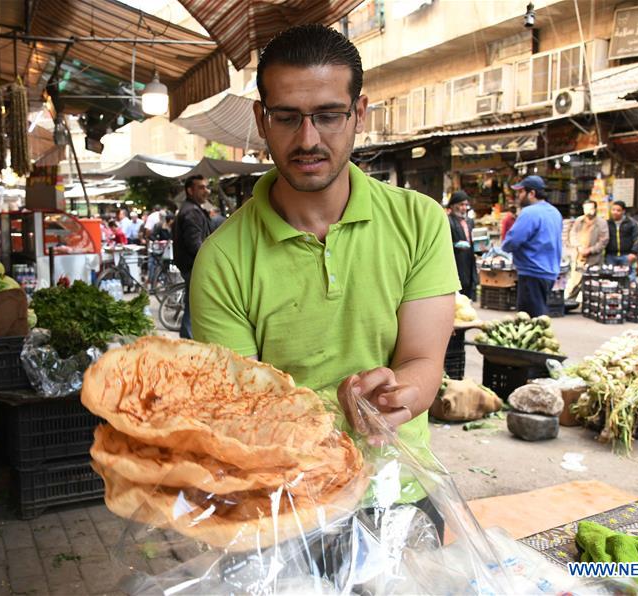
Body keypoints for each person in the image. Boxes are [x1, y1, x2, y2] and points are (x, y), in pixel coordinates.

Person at [190, 24, 458, 491]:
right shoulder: (222, 260)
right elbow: (243, 410)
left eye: (329, 115)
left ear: (360, 113)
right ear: (261, 118)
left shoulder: (420, 222)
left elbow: (423, 360)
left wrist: (398, 395)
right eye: (288, 117)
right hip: (284, 502)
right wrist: (330, 412)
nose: (308, 139)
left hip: (401, 489)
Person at [501, 175, 562, 317]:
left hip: (532, 272)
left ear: (532, 193)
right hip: (549, 271)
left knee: (530, 321)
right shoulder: (554, 212)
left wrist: (504, 247)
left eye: (521, 192)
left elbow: (513, 240)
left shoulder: (530, 212)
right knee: (538, 314)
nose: (518, 196)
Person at [173, 176, 212, 339]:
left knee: (192, 306)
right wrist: (212, 260)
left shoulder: (191, 209)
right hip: (194, 267)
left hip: (191, 266)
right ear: (190, 190)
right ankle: (188, 342)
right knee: (193, 308)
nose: (206, 191)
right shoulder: (191, 212)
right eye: (201, 187)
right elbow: (195, 244)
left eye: (206, 187)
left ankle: (188, 341)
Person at [565, 200, 609, 301]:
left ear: (595, 209)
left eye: (591, 208)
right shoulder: (579, 221)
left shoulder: (601, 223)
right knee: (575, 281)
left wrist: (590, 250)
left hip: (594, 257)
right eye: (586, 208)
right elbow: (573, 235)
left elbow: (603, 240)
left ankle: (591, 303)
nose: (588, 211)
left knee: (593, 282)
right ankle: (571, 301)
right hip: (579, 256)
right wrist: (579, 247)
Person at [447, 190, 477, 300]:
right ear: (453, 205)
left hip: (469, 259)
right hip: (456, 259)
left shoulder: (469, 221)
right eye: (461, 205)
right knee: (459, 285)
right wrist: (455, 244)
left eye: (466, 205)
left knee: (469, 284)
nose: (464, 208)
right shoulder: (448, 220)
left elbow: (473, 238)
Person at [605, 200, 638, 282]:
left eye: (618, 210)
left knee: (629, 278)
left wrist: (634, 253)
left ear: (623, 211)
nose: (615, 212)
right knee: (611, 279)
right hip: (610, 256)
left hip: (627, 255)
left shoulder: (632, 223)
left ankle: (630, 294)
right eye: (613, 210)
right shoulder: (607, 223)